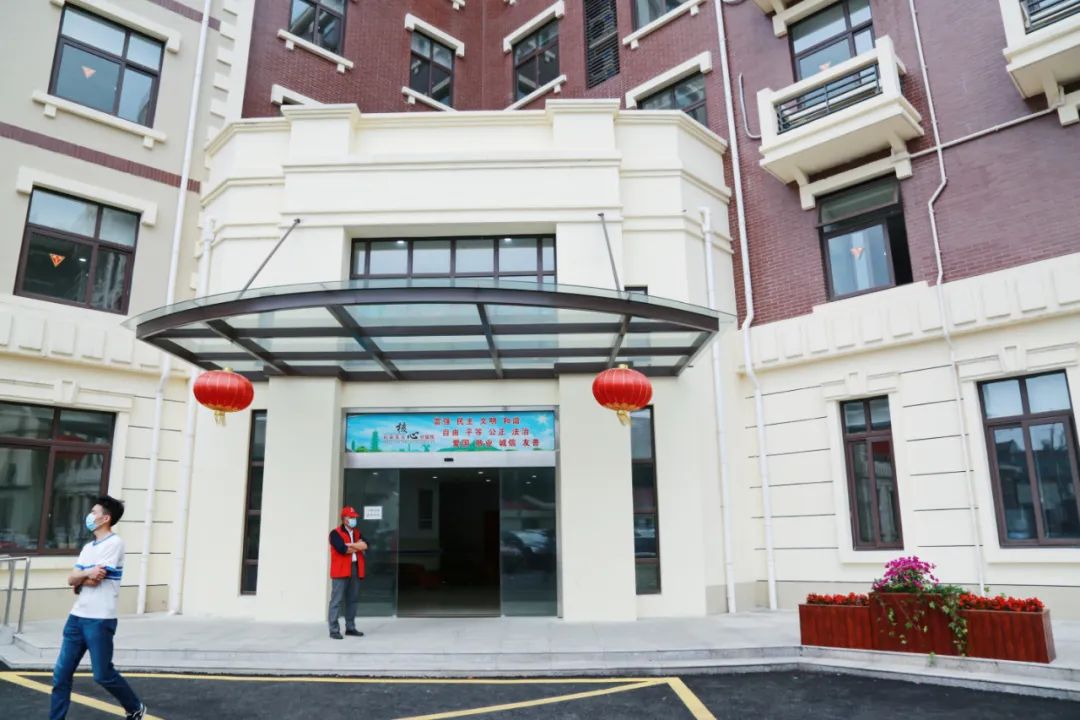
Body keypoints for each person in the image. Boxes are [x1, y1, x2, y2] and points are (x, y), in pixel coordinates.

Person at [51, 495, 146, 720]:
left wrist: (81, 578)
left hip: (100, 619)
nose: (89, 516)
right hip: (76, 618)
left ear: (106, 518)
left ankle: (135, 707)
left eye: (94, 512)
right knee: (61, 676)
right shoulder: (88, 547)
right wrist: (85, 574)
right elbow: (72, 579)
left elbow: (95, 580)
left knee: (102, 674)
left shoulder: (114, 544)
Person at [328, 506, 368, 639]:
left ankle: (350, 628)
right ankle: (334, 630)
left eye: (354, 517)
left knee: (352, 600)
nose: (354, 519)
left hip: (355, 568)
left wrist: (351, 545)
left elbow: (366, 544)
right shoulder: (335, 533)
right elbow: (342, 549)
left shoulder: (357, 532)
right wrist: (357, 546)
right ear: (344, 519)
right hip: (340, 570)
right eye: (351, 517)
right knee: (336, 601)